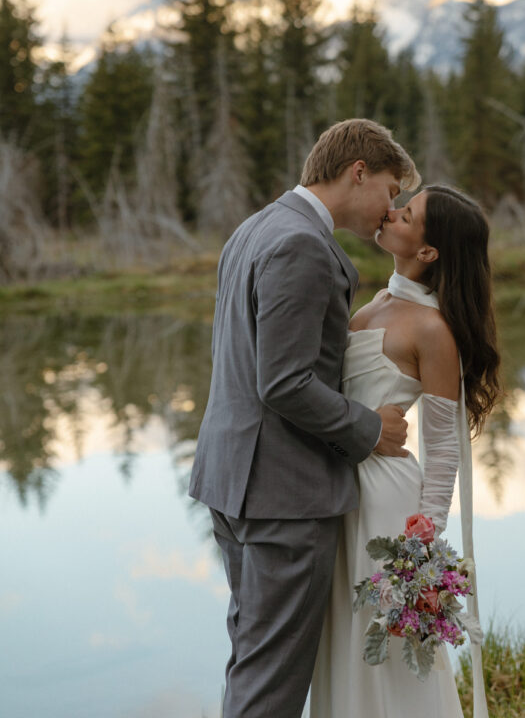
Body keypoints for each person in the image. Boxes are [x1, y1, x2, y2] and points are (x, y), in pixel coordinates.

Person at [189, 119, 421, 718]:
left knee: (254, 659)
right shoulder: (301, 245)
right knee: (272, 681)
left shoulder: (256, 228)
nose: (390, 208)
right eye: (391, 191)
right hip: (283, 495)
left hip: (235, 481)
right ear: (359, 171)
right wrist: (372, 430)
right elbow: (284, 382)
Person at [306, 184, 501, 718]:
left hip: (388, 505)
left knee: (386, 648)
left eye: (406, 213)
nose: (390, 212)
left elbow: (442, 451)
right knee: (344, 638)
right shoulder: (376, 302)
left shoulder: (434, 330)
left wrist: (423, 547)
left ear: (428, 252)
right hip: (344, 487)